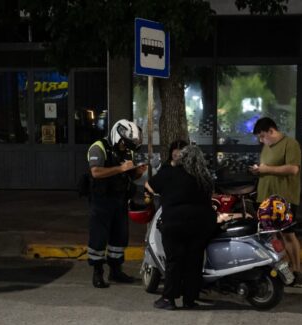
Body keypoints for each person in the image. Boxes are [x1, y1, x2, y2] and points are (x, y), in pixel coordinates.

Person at [145, 141, 217, 310]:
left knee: (174, 261)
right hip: (201, 224)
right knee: (194, 261)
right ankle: (190, 299)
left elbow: (150, 185)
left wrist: (161, 193)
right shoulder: (204, 177)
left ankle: (169, 299)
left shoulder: (171, 173)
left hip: (176, 223)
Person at [86, 119, 148, 288]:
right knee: (98, 237)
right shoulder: (98, 147)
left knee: (120, 237)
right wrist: (120, 168)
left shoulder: (127, 151)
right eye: (123, 143)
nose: (125, 147)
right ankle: (97, 272)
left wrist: (138, 172)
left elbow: (129, 176)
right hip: (101, 201)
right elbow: (96, 172)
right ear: (117, 136)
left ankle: (115, 271)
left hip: (120, 200)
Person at [250, 117, 302, 288]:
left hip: (283, 199)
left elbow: (293, 169)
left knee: (288, 235)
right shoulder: (266, 147)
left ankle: (297, 272)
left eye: (262, 136)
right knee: (272, 237)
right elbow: (267, 167)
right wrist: (259, 170)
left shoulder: (290, 144)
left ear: (271, 131)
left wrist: (267, 169)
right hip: (265, 198)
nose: (261, 140)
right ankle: (284, 271)